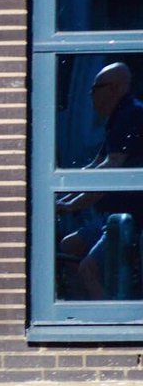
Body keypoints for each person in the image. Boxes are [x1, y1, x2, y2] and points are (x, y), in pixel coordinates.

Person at [57, 62, 143, 299]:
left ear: (115, 88)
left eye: (95, 89)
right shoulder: (117, 118)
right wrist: (63, 196)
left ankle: (110, 318)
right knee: (70, 245)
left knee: (89, 270)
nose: (91, 96)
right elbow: (95, 166)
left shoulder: (130, 114)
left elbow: (110, 170)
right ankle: (78, 310)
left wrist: (70, 205)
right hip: (111, 216)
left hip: (130, 219)